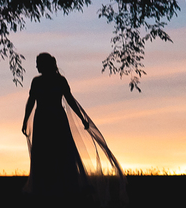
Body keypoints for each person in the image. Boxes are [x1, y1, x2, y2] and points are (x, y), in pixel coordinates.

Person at [21, 53, 128, 206]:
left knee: (62, 152)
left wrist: (81, 117)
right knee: (44, 153)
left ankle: (63, 188)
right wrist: (25, 120)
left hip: (55, 120)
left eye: (39, 63)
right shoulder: (39, 81)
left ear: (46, 64)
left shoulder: (57, 80)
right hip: (44, 121)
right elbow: (31, 101)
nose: (37, 66)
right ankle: (46, 188)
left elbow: (69, 99)